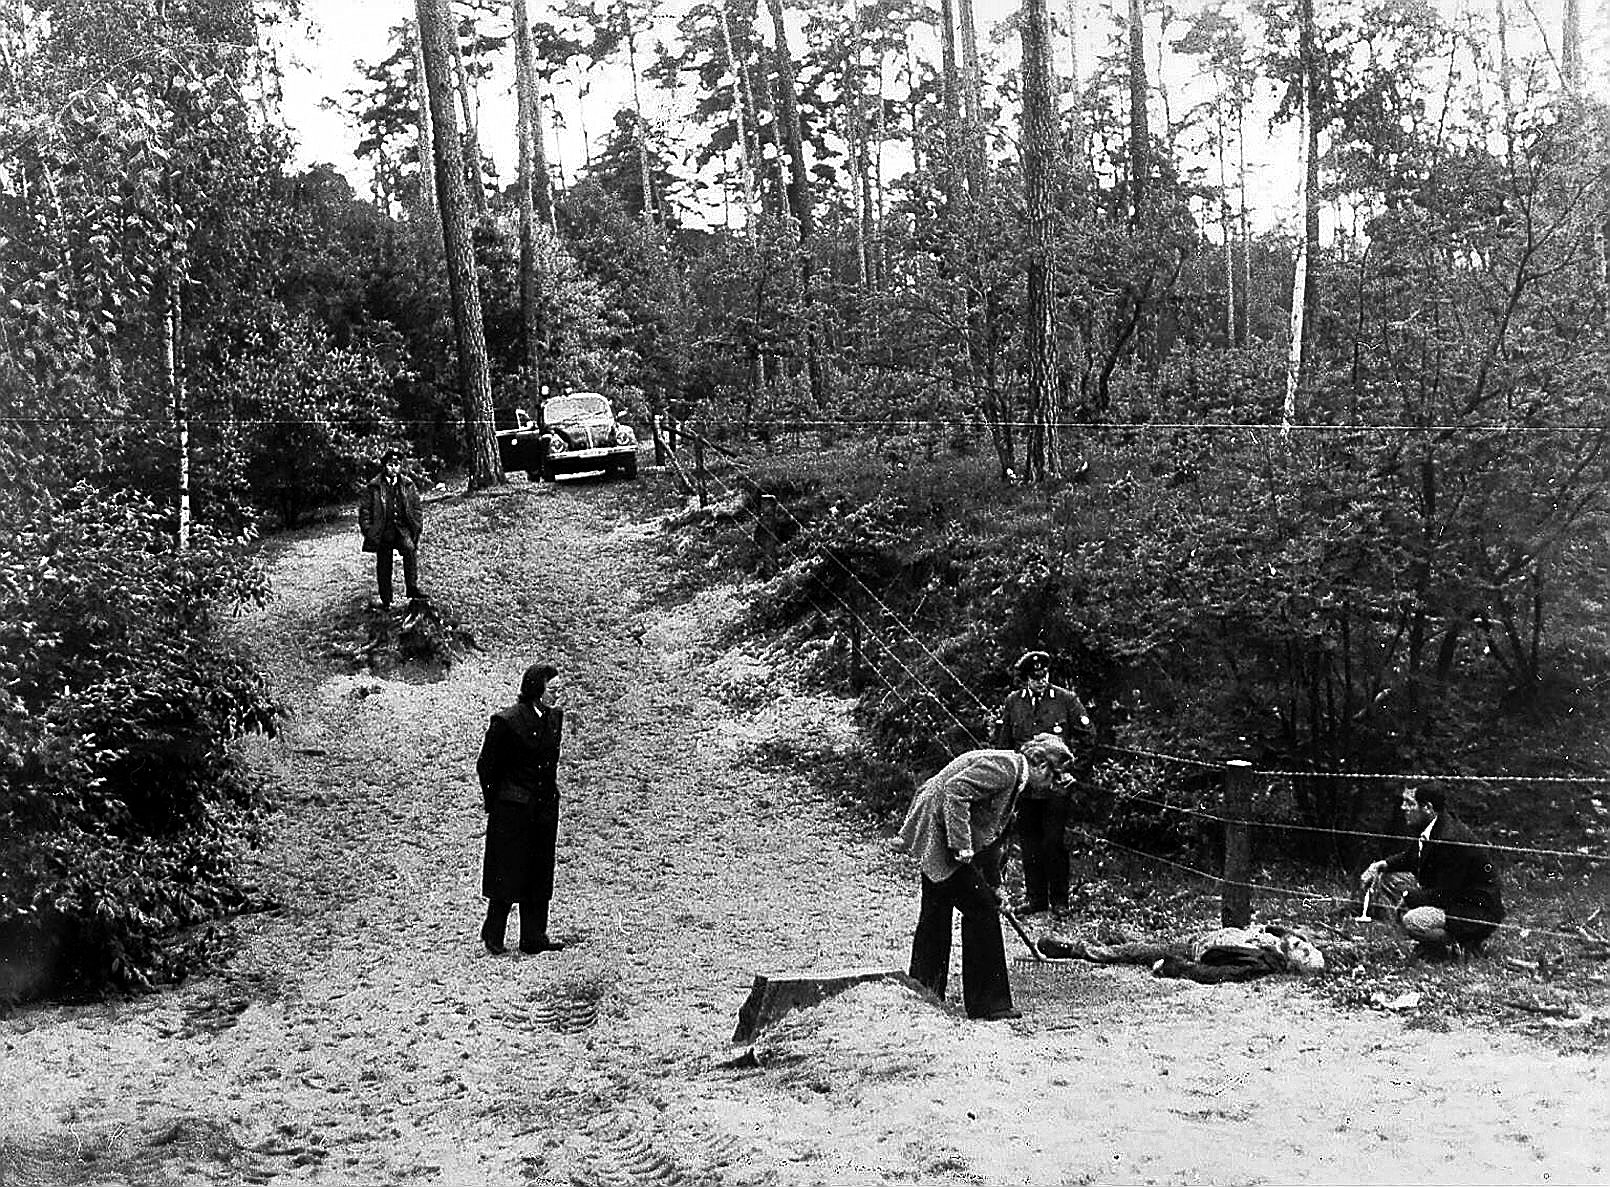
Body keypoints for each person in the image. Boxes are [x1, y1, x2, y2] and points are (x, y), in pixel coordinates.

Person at [897, 733, 1077, 1021]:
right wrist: (962, 845)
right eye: (1054, 779)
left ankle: (923, 990)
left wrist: (997, 885)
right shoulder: (1006, 769)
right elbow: (956, 791)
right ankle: (989, 1004)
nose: (1051, 787)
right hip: (937, 828)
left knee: (938, 907)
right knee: (981, 909)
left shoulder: (1015, 782)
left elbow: (992, 838)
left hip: (941, 829)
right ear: (1041, 765)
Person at [992, 651, 1092, 915]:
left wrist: (1074, 771)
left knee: (1053, 842)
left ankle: (1059, 902)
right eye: (1034, 678)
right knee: (1029, 842)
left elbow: (1088, 738)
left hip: (1056, 787)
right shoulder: (1014, 702)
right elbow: (1003, 746)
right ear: (1025, 679)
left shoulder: (1065, 700)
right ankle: (1036, 899)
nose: (1040, 681)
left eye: (1044, 676)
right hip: (1026, 787)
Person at [477, 663, 566, 955]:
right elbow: (487, 766)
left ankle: (534, 936)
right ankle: (494, 935)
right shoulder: (507, 721)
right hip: (513, 811)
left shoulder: (555, 719)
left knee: (539, 873)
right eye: (552, 689)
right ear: (536, 689)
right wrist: (498, 802)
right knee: (506, 872)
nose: (557, 695)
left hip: (542, 809)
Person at [1360, 783, 1505, 959]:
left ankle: (1457, 947)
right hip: (1455, 900)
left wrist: (1407, 897)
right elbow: (1412, 857)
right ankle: (1437, 942)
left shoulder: (1450, 840)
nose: (1403, 807)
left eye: (1409, 803)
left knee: (1413, 920)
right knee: (1391, 878)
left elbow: (1445, 894)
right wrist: (1380, 865)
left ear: (1427, 807)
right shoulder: (1434, 826)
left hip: (1473, 911)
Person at [358, 450, 424, 607]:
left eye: (397, 464)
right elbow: (365, 511)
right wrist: (369, 530)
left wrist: (416, 526)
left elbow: (416, 508)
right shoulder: (374, 486)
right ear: (384, 466)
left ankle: (412, 589)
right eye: (390, 465)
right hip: (383, 531)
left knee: (410, 549)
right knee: (384, 563)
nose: (394, 468)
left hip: (402, 530)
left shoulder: (408, 484)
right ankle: (386, 599)